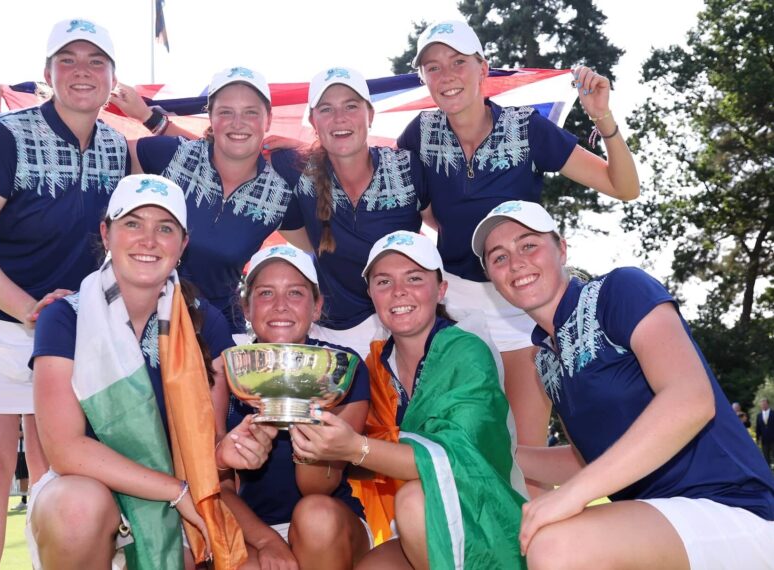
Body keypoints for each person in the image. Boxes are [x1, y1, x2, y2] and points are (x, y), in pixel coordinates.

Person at [396, 19, 642, 493]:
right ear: (424, 77)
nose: (446, 75)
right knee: (461, 443)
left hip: (523, 300)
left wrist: (603, 120)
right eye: (433, 66)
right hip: (456, 302)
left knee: (522, 459)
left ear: (482, 68)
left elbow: (622, 187)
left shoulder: (526, 127)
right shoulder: (419, 134)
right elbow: (422, 209)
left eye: (458, 62)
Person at [473, 200, 774, 569]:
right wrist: (497, 452)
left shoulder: (619, 290)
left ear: (561, 248)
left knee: (556, 545)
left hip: (730, 507)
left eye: (529, 245)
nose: (516, 262)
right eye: (498, 257)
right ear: (491, 277)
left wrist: (572, 496)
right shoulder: (546, 361)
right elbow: (587, 460)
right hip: (652, 522)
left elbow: (692, 399)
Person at [0, 18, 130, 569]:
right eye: (68, 60)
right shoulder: (2, 136)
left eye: (96, 61)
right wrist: (27, 310)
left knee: (60, 474)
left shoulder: (120, 149)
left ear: (113, 78)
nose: (82, 71)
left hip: (60, 328)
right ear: (47, 73)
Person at [29, 174, 276, 570]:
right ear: (106, 233)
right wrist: (175, 491)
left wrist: (226, 455)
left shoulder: (203, 323)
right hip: (91, 496)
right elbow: (64, 449)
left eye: (164, 228)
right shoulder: (65, 317)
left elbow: (206, 451)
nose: (148, 240)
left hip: (178, 500)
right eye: (132, 223)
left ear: (182, 245)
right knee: (77, 509)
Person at [291, 230, 526, 569]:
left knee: (416, 499)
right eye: (383, 282)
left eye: (414, 278)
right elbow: (375, 461)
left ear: (440, 289)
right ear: (370, 293)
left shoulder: (466, 352)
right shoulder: (375, 364)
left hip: (482, 511)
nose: (398, 291)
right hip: (415, 520)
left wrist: (353, 448)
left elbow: (457, 460)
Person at [217, 244, 372, 569]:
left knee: (314, 516)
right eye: (266, 293)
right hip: (253, 528)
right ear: (246, 308)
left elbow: (319, 486)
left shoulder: (341, 367)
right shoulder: (228, 370)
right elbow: (218, 484)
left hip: (330, 523)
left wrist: (299, 408)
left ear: (317, 307)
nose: (280, 306)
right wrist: (268, 541)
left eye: (296, 293)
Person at [111, 68, 297, 332]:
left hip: (217, 331)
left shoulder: (280, 191)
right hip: (141, 322)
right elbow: (98, 157)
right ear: (211, 117)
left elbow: (321, 248)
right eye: (225, 112)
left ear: (268, 120)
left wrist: (306, 150)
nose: (237, 122)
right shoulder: (174, 156)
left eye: (251, 112)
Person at [274, 67, 429, 360]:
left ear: (370, 115)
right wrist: (160, 121)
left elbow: (442, 226)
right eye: (327, 109)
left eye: (351, 106)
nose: (339, 118)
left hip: (410, 329)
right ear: (313, 121)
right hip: (336, 337)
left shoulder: (408, 168)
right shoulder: (293, 168)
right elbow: (227, 155)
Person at [12, 419, 29, 511]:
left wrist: (21, 433)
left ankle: (26, 501)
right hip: (19, 451)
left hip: (26, 451)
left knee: (25, 476)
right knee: (22, 476)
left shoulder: (26, 418)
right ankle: (24, 500)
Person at [758, 398, 773, 466]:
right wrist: (758, 438)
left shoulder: (773, 413)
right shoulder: (759, 415)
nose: (763, 405)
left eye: (764, 404)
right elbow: (758, 428)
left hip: (773, 438)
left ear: (768, 404)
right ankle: (768, 470)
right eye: (762, 404)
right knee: (766, 456)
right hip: (764, 440)